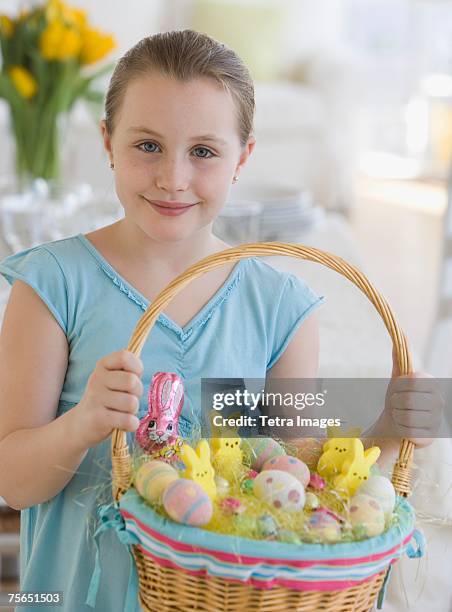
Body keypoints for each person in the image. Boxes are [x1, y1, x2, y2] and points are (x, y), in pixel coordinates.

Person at [0, 30, 442, 612]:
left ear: (244, 158)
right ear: (108, 142)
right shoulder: (54, 285)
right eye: (148, 146)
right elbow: (15, 482)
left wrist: (388, 427)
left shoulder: (279, 308)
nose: (173, 178)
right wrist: (83, 421)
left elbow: (299, 478)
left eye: (203, 151)